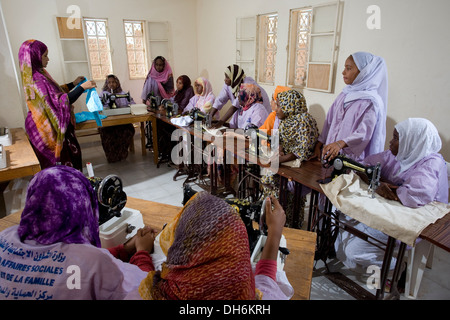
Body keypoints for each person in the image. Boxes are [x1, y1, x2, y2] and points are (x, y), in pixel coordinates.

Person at [0, 166, 156, 300]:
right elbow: (147, 290)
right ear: (84, 207)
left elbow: (57, 259)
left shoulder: (6, 237)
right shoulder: (92, 262)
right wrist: (142, 252)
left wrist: (123, 249)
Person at [335, 118, 448, 271]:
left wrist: (383, 186)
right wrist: (380, 182)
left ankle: (398, 268)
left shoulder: (431, 162)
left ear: (412, 141)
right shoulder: (398, 154)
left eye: (395, 138)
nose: (390, 142)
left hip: (410, 221)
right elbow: (366, 165)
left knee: (353, 250)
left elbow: (414, 195)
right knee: (340, 216)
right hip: (390, 212)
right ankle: (370, 258)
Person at [129, 191, 290, 300]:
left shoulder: (149, 293)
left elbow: (138, 277)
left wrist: (141, 251)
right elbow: (266, 280)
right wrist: (275, 232)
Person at [18, 39, 96, 171]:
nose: (48, 59)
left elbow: (53, 93)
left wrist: (73, 84)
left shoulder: (36, 75)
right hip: (46, 131)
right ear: (35, 56)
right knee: (58, 169)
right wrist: (82, 87)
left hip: (40, 126)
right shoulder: (37, 79)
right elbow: (60, 101)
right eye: (45, 56)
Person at [312, 52, 388, 163]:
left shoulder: (370, 102)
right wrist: (318, 145)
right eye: (345, 68)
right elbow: (329, 120)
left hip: (353, 158)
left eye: (348, 68)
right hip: (332, 153)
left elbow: (364, 133)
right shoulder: (344, 94)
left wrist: (340, 143)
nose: (343, 72)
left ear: (364, 72)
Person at [260, 90, 319, 228]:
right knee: (271, 190)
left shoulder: (304, 121)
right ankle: (272, 224)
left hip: (299, 169)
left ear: (290, 106)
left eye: (280, 106)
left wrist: (280, 159)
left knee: (286, 198)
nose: (277, 109)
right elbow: (279, 141)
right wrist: (278, 151)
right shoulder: (286, 121)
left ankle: (286, 227)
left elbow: (302, 151)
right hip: (285, 164)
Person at [98, 74, 136, 163]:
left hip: (122, 122)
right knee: (106, 132)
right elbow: (98, 107)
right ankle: (111, 156)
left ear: (117, 83)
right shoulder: (103, 94)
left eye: (113, 82)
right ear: (106, 84)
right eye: (109, 82)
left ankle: (122, 153)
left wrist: (131, 106)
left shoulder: (123, 94)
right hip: (107, 123)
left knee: (129, 130)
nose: (111, 84)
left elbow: (132, 103)